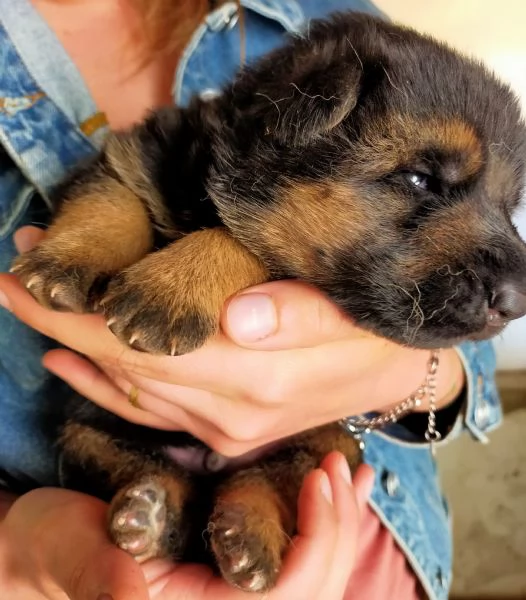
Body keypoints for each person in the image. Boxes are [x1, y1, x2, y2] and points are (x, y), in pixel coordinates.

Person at [0, 1, 502, 598]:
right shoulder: (240, 126)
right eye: (423, 181)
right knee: (91, 440)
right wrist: (18, 543)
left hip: (365, 558)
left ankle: (256, 510)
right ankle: (168, 499)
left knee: (324, 450)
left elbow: (462, 378)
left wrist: (409, 372)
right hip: (101, 548)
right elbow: (123, 181)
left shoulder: (335, 16)